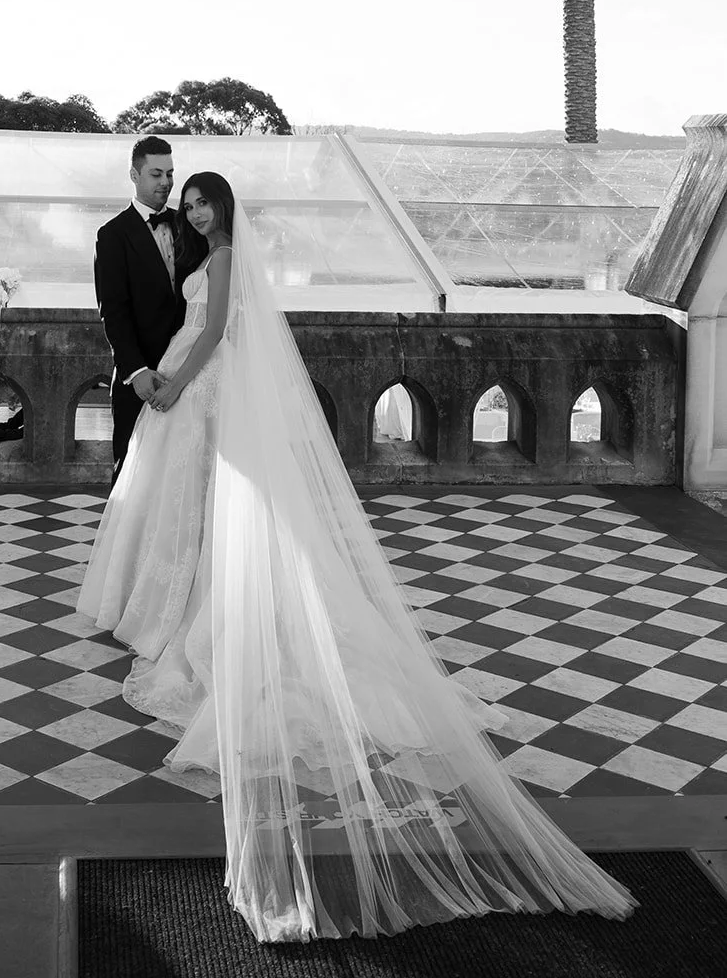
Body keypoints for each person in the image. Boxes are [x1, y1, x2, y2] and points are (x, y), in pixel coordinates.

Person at [79, 172, 637, 945]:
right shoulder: (205, 252)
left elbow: (215, 331)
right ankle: (173, 599)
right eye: (192, 199)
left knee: (206, 506)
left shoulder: (229, 255)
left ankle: (207, 611)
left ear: (225, 208)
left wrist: (174, 382)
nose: (197, 208)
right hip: (192, 381)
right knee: (184, 505)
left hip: (200, 379)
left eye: (206, 199)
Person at [93, 136, 187, 484]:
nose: (165, 182)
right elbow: (113, 311)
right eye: (156, 174)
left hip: (188, 372)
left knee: (184, 477)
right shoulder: (112, 235)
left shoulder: (189, 225)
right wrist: (136, 371)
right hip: (140, 379)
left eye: (171, 174)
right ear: (134, 175)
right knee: (132, 477)